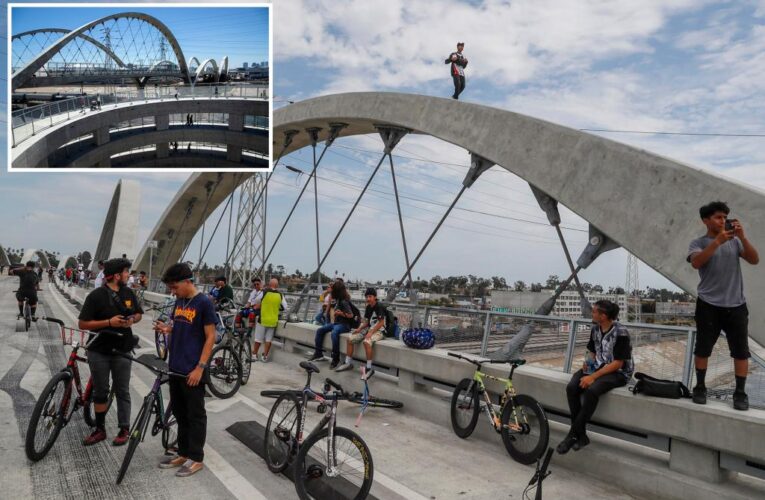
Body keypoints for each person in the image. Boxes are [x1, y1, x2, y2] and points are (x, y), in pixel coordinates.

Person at [687, 201, 759, 411]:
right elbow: (696, 262)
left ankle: (740, 392)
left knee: (740, 351)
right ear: (706, 220)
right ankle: (700, 387)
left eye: (725, 217)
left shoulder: (736, 242)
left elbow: (755, 260)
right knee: (703, 349)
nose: (723, 221)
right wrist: (717, 242)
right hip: (708, 304)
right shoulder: (698, 242)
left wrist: (743, 237)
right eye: (718, 217)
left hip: (736, 304)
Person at [154, 263, 216, 477]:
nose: (173, 291)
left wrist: (200, 368)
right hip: (176, 367)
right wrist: (167, 328)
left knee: (195, 415)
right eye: (171, 287)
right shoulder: (180, 300)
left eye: (174, 286)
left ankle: (196, 458)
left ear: (187, 281)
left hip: (193, 370)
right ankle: (183, 452)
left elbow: (210, 337)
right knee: (180, 413)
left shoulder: (204, 303)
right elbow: (182, 326)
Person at [78, 258, 143, 446]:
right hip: (99, 350)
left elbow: (138, 313)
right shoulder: (96, 296)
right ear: (116, 275)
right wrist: (108, 323)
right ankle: (100, 429)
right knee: (101, 391)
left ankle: (124, 428)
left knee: (123, 390)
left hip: (123, 349)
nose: (128, 275)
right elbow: (83, 323)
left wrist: (132, 320)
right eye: (125, 272)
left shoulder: (128, 292)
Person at [556, 300, 633, 454]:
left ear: (603, 316)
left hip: (617, 373)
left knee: (592, 390)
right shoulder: (595, 329)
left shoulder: (621, 332)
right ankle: (582, 436)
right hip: (597, 366)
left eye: (594, 312)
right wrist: (588, 362)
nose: (592, 314)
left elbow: (618, 363)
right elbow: (593, 351)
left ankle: (572, 435)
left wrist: (593, 377)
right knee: (572, 387)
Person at [336, 287, 393, 375]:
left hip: (380, 330)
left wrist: (370, 332)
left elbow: (381, 323)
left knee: (366, 342)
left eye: (370, 296)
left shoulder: (379, 306)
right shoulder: (368, 307)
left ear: (375, 297)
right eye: (367, 297)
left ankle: (369, 368)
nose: (368, 299)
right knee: (350, 339)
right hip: (370, 329)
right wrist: (359, 329)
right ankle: (348, 363)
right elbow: (366, 322)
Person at [309, 281, 354, 369]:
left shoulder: (344, 301)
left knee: (334, 333)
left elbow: (351, 315)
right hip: (336, 323)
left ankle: (335, 358)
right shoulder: (337, 299)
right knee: (320, 330)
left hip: (344, 325)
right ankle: (318, 353)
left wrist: (341, 313)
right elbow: (329, 304)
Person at [252, 278, 288, 362]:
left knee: (258, 339)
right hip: (273, 320)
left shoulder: (264, 292)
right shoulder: (280, 295)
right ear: (277, 285)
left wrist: (261, 303)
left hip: (263, 319)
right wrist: (277, 307)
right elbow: (285, 307)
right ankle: (265, 357)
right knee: (268, 340)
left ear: (269, 284)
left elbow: (256, 300)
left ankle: (254, 355)